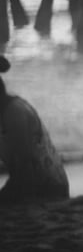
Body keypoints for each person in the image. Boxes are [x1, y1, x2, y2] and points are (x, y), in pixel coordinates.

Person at [0, 56, 69, 204]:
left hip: (46, 190)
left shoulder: (13, 114)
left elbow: (26, 170)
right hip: (41, 185)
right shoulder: (11, 109)